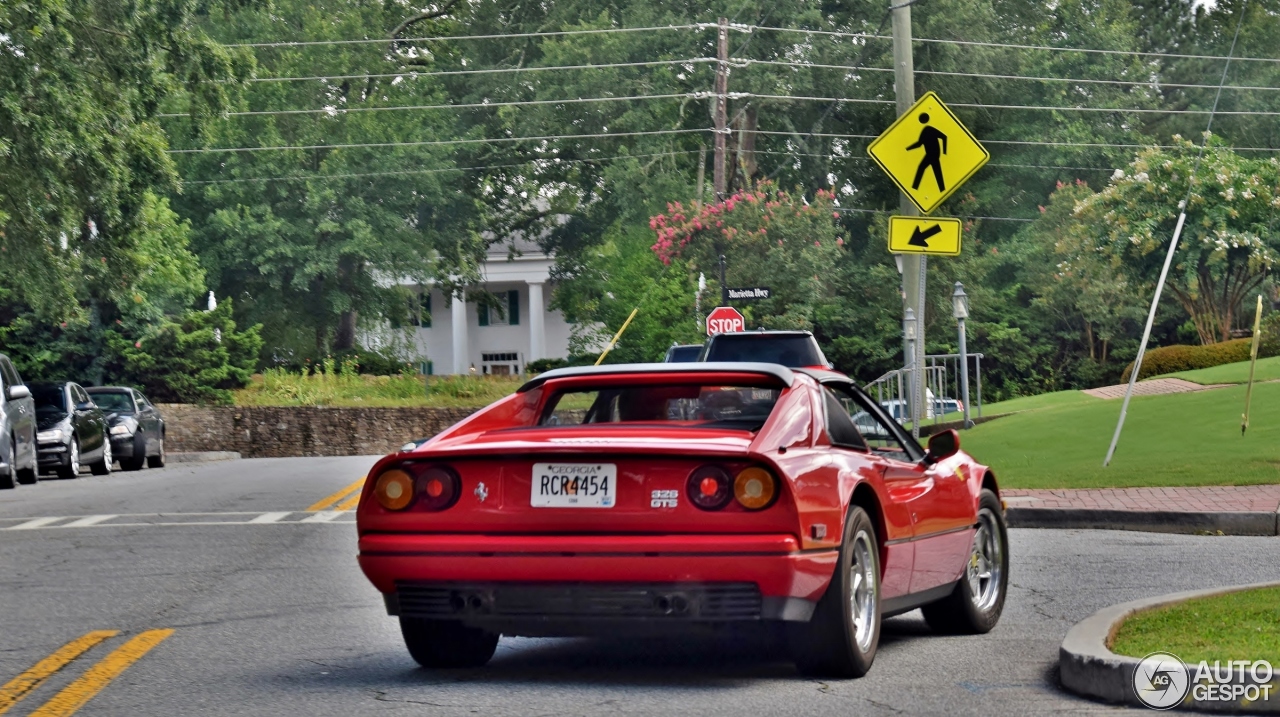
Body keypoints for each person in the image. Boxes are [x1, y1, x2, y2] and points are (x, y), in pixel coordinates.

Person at [906, 112, 948, 192]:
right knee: (936, 172)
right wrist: (907, 148)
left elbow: (944, 137)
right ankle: (941, 189)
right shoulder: (925, 130)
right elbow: (919, 144)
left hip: (933, 154)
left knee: (923, 168)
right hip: (931, 154)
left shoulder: (929, 129)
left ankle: (915, 188)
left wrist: (944, 152)